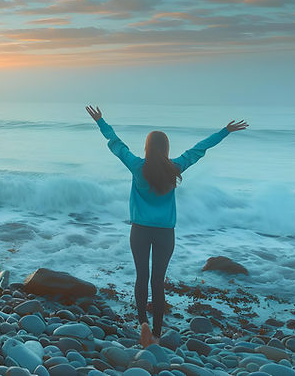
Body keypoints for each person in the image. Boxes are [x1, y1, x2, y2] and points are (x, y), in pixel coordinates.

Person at [85, 105, 247, 347]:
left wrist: (101, 121)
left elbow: (117, 145)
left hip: (139, 230)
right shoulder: (175, 167)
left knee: (142, 276)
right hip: (165, 234)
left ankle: (143, 324)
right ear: (166, 148)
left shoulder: (137, 166)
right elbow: (199, 149)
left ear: (147, 147)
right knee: (157, 281)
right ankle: (158, 335)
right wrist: (225, 131)